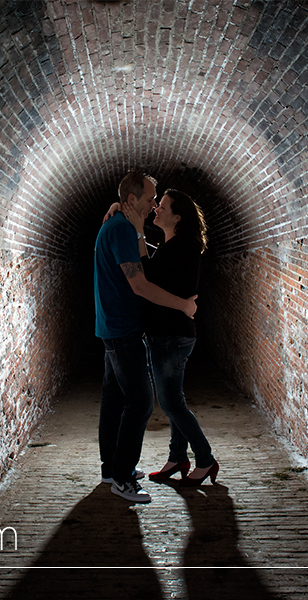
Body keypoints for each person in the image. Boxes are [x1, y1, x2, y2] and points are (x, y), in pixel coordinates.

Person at [94, 171, 198, 503]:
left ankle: (111, 468)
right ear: (130, 201)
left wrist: (131, 220)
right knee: (140, 403)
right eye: (150, 198)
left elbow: (142, 263)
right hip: (122, 330)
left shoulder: (116, 225)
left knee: (114, 401)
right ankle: (122, 479)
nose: (154, 203)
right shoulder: (122, 229)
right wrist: (182, 304)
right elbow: (140, 285)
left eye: (157, 199)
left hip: (111, 327)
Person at [104, 189, 218, 487]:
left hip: (172, 336)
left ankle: (205, 459)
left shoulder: (186, 245)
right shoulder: (174, 244)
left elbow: (150, 273)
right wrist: (119, 207)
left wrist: (139, 231)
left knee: (170, 403)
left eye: (163, 207)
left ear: (177, 217)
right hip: (166, 334)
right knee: (174, 398)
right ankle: (177, 457)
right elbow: (159, 263)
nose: (156, 209)